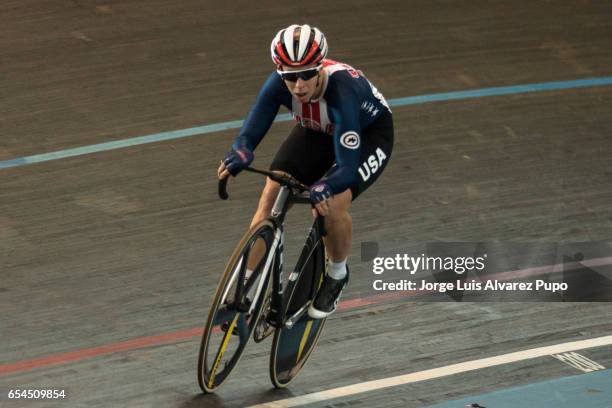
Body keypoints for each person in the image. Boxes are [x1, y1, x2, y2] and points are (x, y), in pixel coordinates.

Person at [217, 24, 393, 319]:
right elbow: (249, 133)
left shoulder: (342, 92)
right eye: (289, 76)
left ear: (321, 66)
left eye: (307, 74)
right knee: (271, 194)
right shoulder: (277, 85)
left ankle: (337, 275)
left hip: (366, 134)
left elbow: (347, 169)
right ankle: (244, 287)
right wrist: (240, 153)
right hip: (318, 130)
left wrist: (327, 185)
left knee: (332, 206)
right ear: (280, 72)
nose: (298, 85)